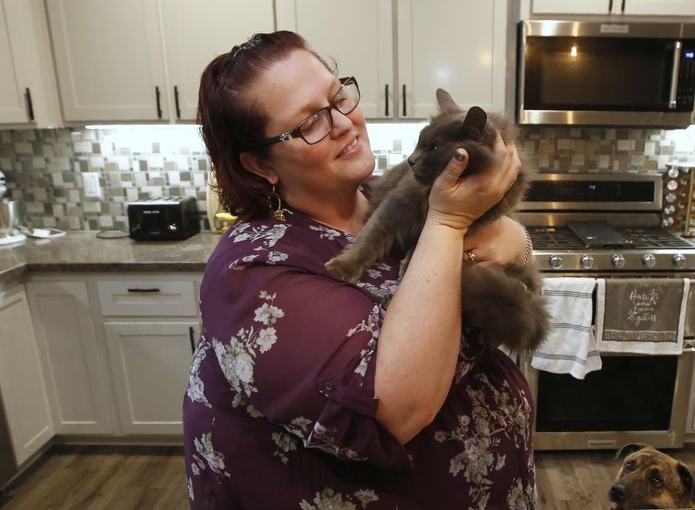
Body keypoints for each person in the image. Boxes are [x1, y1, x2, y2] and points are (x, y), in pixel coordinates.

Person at [183, 30, 536, 509]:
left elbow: (498, 253)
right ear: (260, 165)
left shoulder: (382, 193)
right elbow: (393, 410)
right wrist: (451, 224)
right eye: (309, 122)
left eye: (338, 97)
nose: (343, 123)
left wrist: (518, 243)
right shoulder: (252, 272)